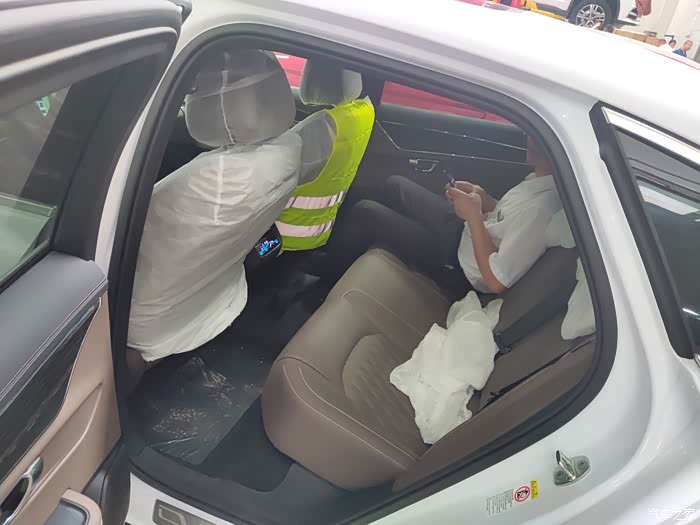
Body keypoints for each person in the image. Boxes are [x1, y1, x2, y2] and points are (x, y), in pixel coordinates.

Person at [323, 137, 562, 296]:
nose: (531, 140)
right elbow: (508, 219)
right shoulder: (540, 181)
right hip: (464, 233)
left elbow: (497, 281)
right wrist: (483, 198)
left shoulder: (541, 211)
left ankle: (325, 278)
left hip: (458, 265)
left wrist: (474, 216)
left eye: (540, 141)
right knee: (395, 184)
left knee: (366, 212)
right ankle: (348, 250)